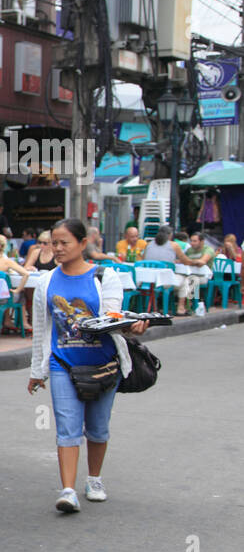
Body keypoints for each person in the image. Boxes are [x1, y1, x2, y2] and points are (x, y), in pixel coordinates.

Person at [29, 219, 149, 514]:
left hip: (104, 364)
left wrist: (131, 328)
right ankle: (68, 490)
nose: (57, 248)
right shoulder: (45, 282)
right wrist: (36, 372)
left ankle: (94, 479)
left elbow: (112, 317)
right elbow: (41, 330)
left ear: (83, 244)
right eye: (53, 243)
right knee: (67, 427)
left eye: (64, 242)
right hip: (62, 364)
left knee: (98, 428)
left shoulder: (105, 277)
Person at [145, 229, 208, 314]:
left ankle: (158, 305)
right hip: (165, 282)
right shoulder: (174, 245)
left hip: (148, 282)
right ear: (170, 236)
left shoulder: (148, 244)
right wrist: (194, 262)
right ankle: (181, 308)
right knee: (186, 280)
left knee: (188, 279)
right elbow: (186, 261)